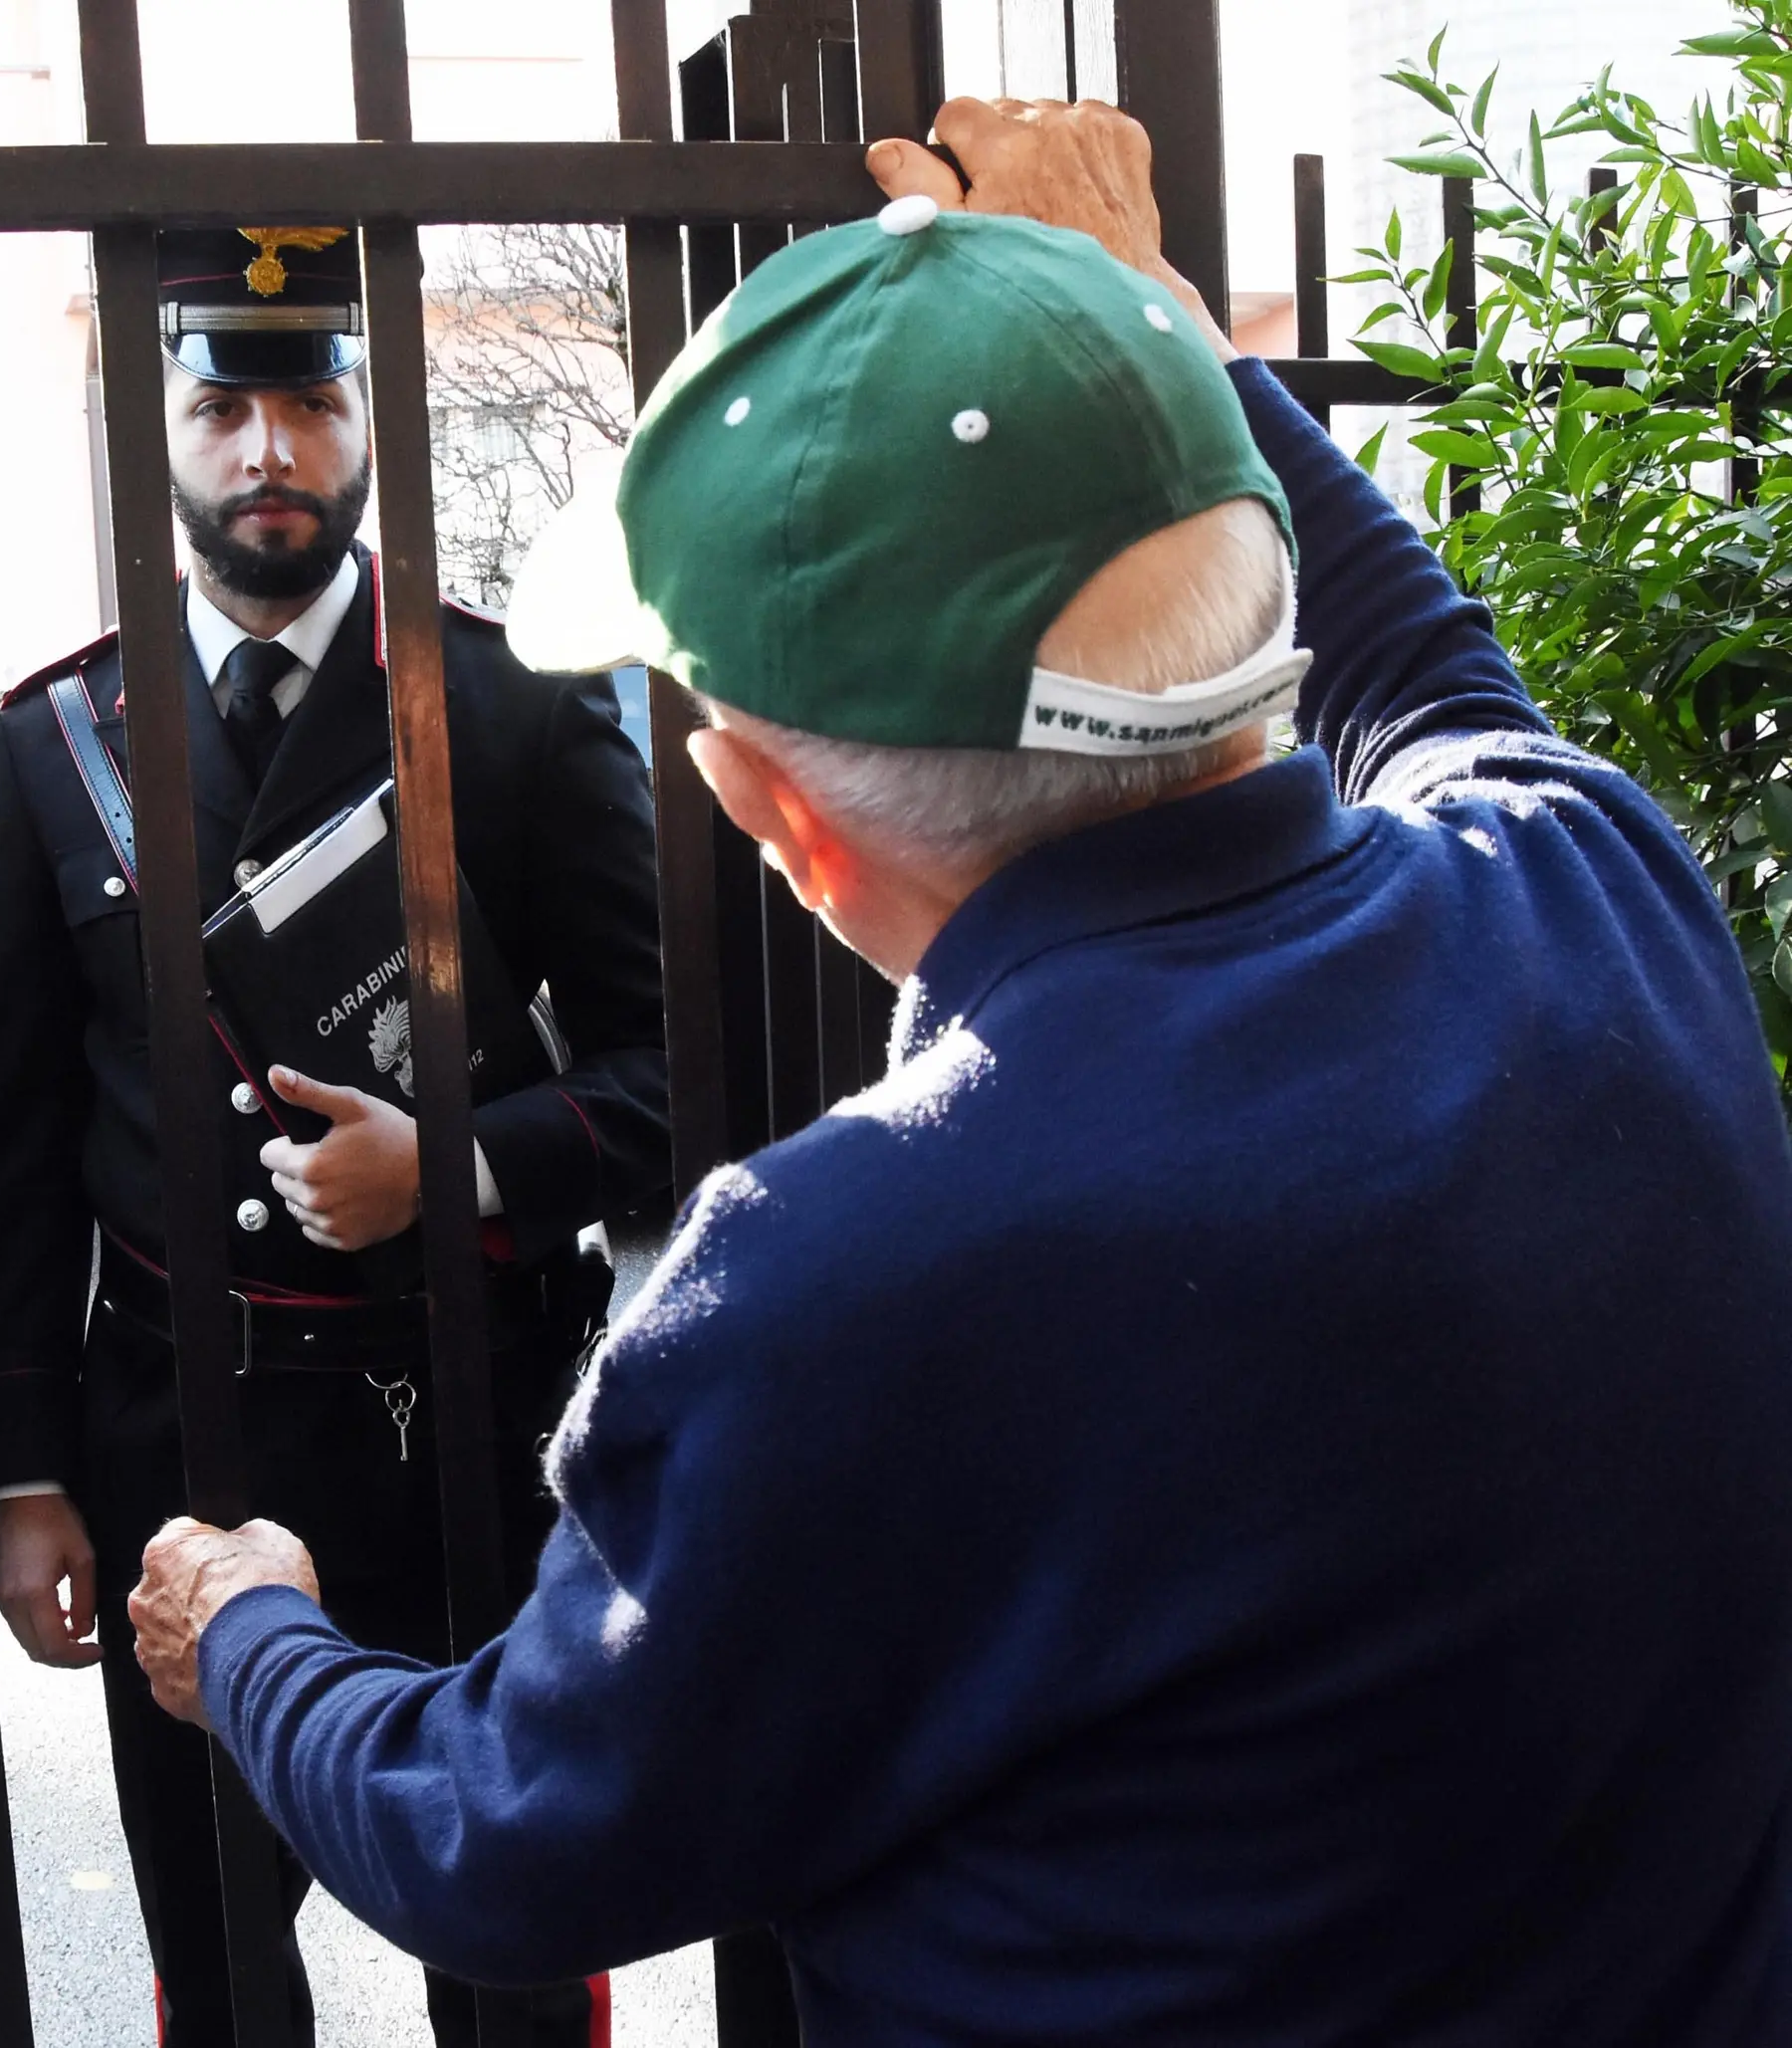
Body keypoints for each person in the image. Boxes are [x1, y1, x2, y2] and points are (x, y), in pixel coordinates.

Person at [126, 102, 1792, 2046]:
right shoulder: (1594, 891)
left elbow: (496, 1833)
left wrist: (248, 1630)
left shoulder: (843, 1276)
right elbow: (1427, 668)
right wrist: (1149, 320)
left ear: (767, 809)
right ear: (1236, 597)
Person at [0, 225, 668, 2046]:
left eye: (310, 397)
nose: (269, 447)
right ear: (163, 429)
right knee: (215, 1938)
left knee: (506, 1926)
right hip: (179, 1430)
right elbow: (15, 1137)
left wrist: (464, 1165)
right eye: (225, 402)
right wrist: (24, 1465)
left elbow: (672, 1081)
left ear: (365, 417)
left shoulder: (513, 698)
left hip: (469, 1411)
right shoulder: (55, 737)